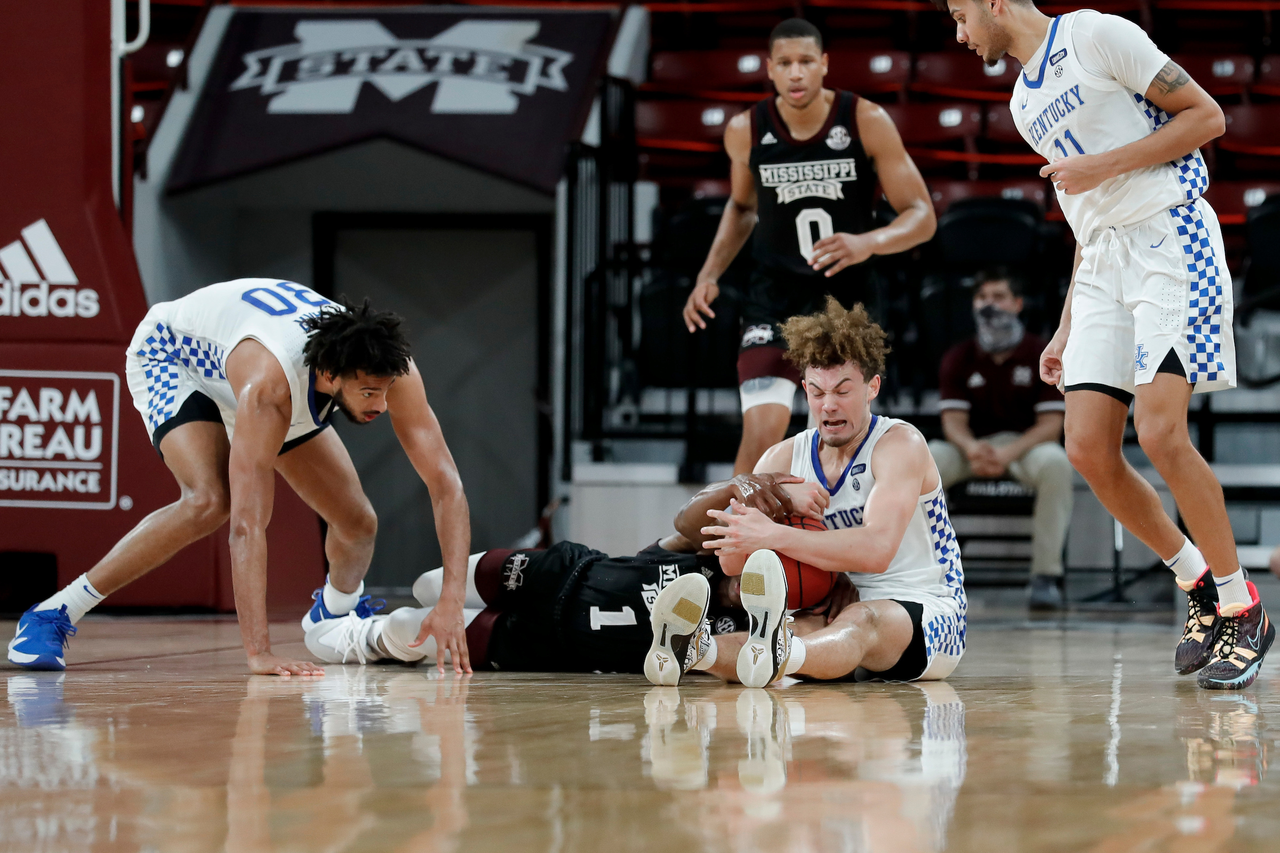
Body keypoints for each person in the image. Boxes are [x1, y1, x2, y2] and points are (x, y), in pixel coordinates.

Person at [936, 0, 1272, 688]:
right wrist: (1065, 323)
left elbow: (1207, 118)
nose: (960, 35)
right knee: (1086, 446)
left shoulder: (1096, 33)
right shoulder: (1026, 103)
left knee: (1160, 433)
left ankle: (1246, 607)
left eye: (962, 16)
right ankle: (1197, 584)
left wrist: (1104, 165)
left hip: (1169, 237)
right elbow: (1090, 221)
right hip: (1102, 266)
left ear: (996, 2)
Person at [6, 279, 473, 676]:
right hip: (174, 357)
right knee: (210, 501)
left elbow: (445, 484)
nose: (382, 405)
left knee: (357, 524)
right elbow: (248, 527)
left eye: (387, 390)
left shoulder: (390, 368)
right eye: (369, 392)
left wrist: (451, 600)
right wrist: (259, 652)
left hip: (254, 359)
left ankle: (331, 617)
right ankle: (55, 612)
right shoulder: (269, 391)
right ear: (332, 375)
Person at [647, 297, 966, 688]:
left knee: (860, 620)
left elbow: (876, 550)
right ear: (804, 390)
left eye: (843, 391)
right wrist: (743, 538)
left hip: (929, 609)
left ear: (872, 387)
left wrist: (774, 534)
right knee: (794, 624)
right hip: (836, 598)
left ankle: (784, 654)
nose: (829, 405)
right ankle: (694, 649)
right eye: (817, 392)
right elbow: (733, 564)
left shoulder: (900, 445)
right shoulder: (781, 457)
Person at [682, 17, 936, 476]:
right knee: (762, 431)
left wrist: (867, 242)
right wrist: (708, 274)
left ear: (823, 65)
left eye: (804, 62)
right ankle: (730, 541)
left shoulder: (864, 120)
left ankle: (834, 537)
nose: (795, 73)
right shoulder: (746, 129)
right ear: (770, 69)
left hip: (846, 302)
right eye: (785, 63)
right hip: (773, 298)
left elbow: (922, 215)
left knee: (839, 431)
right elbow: (741, 208)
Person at [304, 473, 859, 673]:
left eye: (777, 577)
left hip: (552, 646)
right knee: (433, 584)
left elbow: (788, 656)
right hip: (562, 572)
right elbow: (686, 520)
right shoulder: (702, 558)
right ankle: (368, 616)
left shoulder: (737, 637)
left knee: (414, 630)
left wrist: (838, 595)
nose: (754, 576)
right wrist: (741, 483)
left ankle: (360, 639)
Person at [928, 269, 1071, 609]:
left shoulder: (1041, 350)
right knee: (927, 457)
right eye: (982, 298)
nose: (989, 305)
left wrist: (1007, 454)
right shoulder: (958, 356)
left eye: (998, 297)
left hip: (1024, 446)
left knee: (1056, 463)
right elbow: (952, 422)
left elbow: (1051, 426)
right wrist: (971, 448)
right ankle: (930, 573)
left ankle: (1045, 577)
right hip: (973, 446)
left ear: (1018, 304)